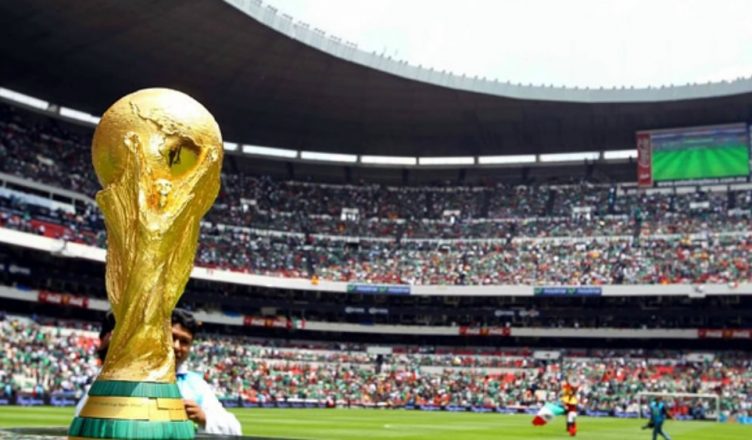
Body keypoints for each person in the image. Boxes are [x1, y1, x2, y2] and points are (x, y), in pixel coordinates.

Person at [76, 309, 242, 436]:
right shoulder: (125, 375)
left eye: (184, 341)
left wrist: (203, 417)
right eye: (171, 337)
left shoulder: (195, 384)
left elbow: (235, 429)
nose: (176, 346)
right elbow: (83, 418)